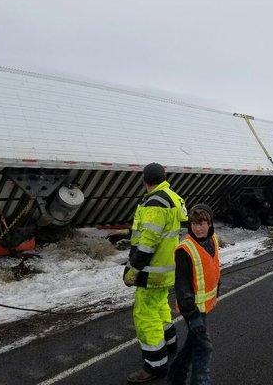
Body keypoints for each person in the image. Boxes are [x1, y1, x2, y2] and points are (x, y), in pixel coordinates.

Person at [124, 162, 187, 383]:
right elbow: (183, 232)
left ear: (144, 180)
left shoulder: (155, 202)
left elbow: (147, 244)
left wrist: (133, 269)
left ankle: (155, 365)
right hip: (167, 269)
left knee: (145, 316)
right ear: (164, 177)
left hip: (150, 271)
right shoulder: (175, 198)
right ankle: (170, 344)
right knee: (160, 307)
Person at [167, 204, 220, 385]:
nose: (197, 228)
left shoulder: (212, 240)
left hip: (205, 305)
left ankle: (175, 376)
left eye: (202, 223)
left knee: (192, 345)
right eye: (194, 224)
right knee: (204, 349)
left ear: (209, 223)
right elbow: (182, 288)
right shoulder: (185, 250)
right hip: (192, 309)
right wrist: (193, 316)